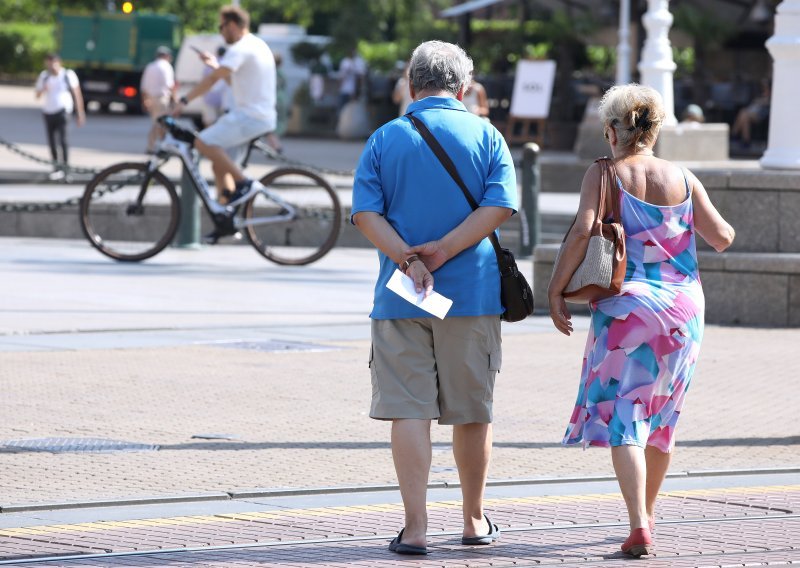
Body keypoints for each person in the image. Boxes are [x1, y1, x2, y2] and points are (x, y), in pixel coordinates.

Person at [548, 84, 735, 558]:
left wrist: (555, 290)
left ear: (612, 130)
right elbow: (723, 237)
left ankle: (638, 524)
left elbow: (584, 230)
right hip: (684, 311)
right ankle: (646, 517)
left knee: (625, 416)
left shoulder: (605, 172)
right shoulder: (684, 177)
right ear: (653, 130)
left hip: (628, 309)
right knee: (662, 419)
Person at [351, 40, 517, 556]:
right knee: (472, 412)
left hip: (402, 298)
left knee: (408, 411)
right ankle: (472, 520)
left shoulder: (385, 138)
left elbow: (364, 213)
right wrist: (444, 250)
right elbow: (500, 206)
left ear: (410, 80)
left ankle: (416, 528)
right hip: (472, 295)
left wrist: (410, 259)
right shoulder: (487, 135)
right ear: (463, 87)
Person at [172, 5, 276, 243]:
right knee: (219, 166)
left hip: (249, 117)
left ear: (232, 25)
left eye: (221, 27)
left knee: (202, 141)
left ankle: (244, 183)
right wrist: (215, 64)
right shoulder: (256, 45)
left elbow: (211, 81)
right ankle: (225, 219)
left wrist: (184, 101)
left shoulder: (241, 47)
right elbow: (233, 81)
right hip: (257, 116)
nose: (220, 32)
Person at [34, 53, 85, 180]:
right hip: (48, 111)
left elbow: (77, 94)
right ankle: (56, 167)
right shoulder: (44, 76)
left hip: (63, 111)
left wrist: (80, 112)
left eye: (54, 63)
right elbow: (37, 95)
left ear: (59, 63)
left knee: (63, 140)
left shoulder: (68, 75)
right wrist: (43, 89)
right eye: (49, 63)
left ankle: (66, 168)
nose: (52, 66)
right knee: (52, 141)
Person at [140, 46, 176, 154]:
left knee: (157, 122)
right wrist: (175, 100)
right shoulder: (166, 67)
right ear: (166, 56)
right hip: (162, 99)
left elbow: (144, 86)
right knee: (160, 124)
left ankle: (158, 145)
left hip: (151, 98)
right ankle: (155, 146)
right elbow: (170, 85)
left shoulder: (150, 66)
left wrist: (145, 100)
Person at [201, 46, 234, 127]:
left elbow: (205, 80)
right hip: (225, 101)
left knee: (209, 123)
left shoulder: (210, 65)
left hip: (210, 98)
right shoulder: (228, 64)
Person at [732, 79, 770, 147]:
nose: (764, 87)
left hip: (760, 114)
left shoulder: (771, 96)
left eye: (765, 85)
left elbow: (766, 105)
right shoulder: (758, 94)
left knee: (743, 113)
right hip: (751, 112)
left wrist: (761, 101)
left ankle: (734, 134)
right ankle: (746, 141)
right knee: (744, 117)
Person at [264, 51, 287, 154]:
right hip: (282, 98)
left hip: (272, 99)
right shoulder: (282, 73)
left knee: (269, 125)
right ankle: (274, 146)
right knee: (277, 123)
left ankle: (275, 146)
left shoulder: (270, 73)